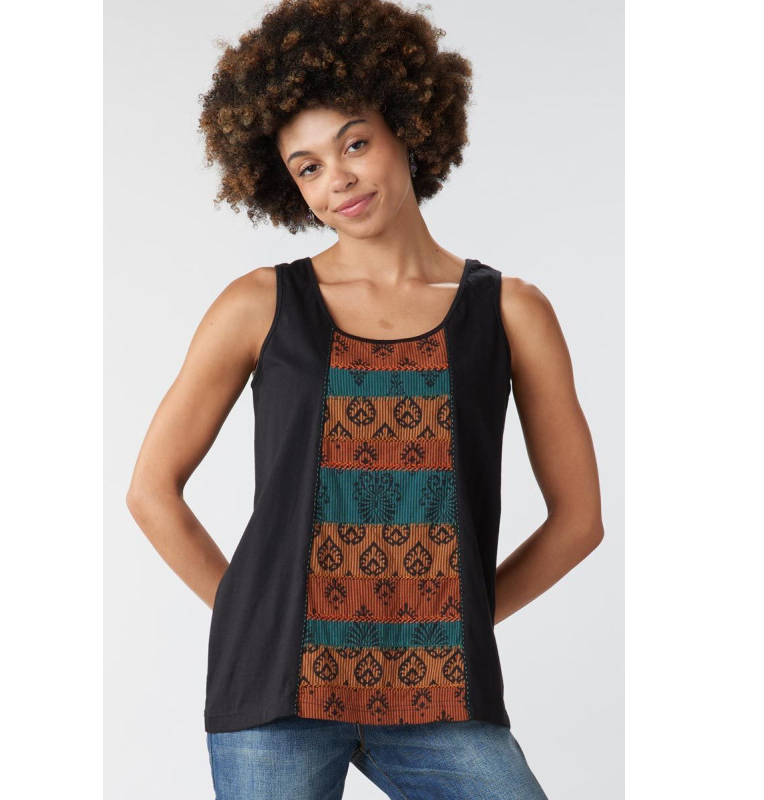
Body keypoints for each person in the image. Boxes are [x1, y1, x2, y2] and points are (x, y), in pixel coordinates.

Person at [126, 0, 604, 797]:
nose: (337, 178)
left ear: (407, 129)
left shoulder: (511, 311)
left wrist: (452, 620)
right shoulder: (258, 304)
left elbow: (579, 521)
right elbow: (151, 491)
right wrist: (260, 621)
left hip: (440, 690)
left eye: (354, 143)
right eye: (307, 166)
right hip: (275, 696)